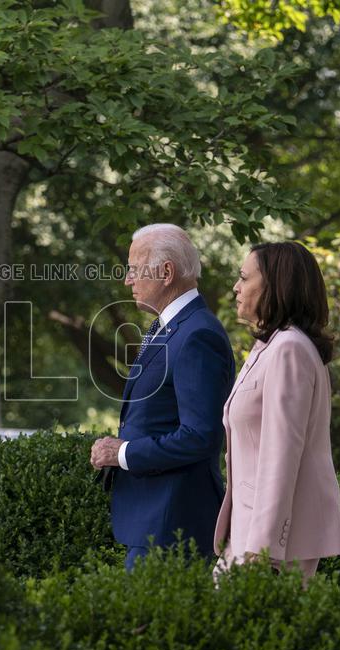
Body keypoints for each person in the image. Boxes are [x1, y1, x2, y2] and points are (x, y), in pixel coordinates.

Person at [90, 224, 235, 571]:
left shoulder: (197, 334)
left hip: (173, 524)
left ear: (166, 272)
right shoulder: (173, 327)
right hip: (156, 520)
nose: (128, 280)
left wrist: (122, 452)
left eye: (134, 269)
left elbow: (200, 436)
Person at [213, 241, 340, 584]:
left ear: (275, 286)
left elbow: (281, 456)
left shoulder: (289, 349)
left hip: (269, 545)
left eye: (244, 277)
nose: (236, 287)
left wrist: (264, 549)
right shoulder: (272, 346)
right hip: (247, 532)